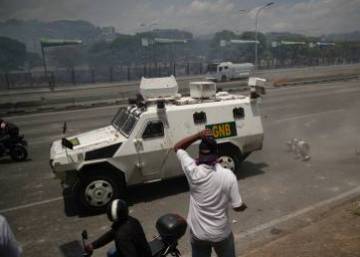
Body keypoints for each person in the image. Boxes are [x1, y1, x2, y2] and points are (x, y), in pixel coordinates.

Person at [174, 129, 247, 257]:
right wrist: (243, 206)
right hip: (221, 234)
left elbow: (178, 147)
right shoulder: (228, 175)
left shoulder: (192, 171)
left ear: (199, 154)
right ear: (217, 153)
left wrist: (198, 135)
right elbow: (237, 207)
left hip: (199, 234)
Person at [84, 199, 152, 257]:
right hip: (145, 251)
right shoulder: (131, 220)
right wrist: (93, 245)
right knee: (111, 252)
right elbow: (111, 234)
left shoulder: (121, 237)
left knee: (111, 253)